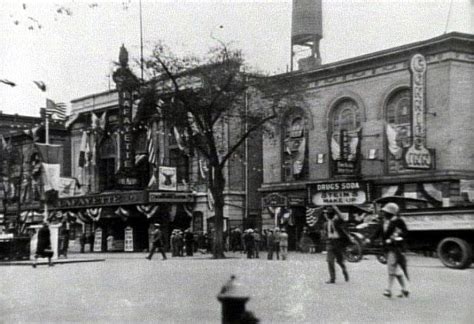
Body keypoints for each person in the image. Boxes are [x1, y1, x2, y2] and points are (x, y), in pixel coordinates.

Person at [367, 202, 409, 298]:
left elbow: (405, 233)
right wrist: (370, 239)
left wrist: (396, 238)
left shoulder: (399, 221)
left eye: (386, 212)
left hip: (396, 248)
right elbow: (377, 232)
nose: (384, 213)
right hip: (387, 248)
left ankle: (388, 290)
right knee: (396, 270)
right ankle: (405, 289)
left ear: (391, 213)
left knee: (391, 268)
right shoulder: (384, 222)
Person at [323, 206, 351, 284]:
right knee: (330, 261)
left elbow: (342, 218)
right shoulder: (326, 224)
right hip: (330, 242)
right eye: (327, 213)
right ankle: (332, 278)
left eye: (329, 213)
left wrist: (336, 208)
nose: (328, 215)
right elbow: (325, 233)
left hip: (338, 242)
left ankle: (344, 269)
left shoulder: (337, 221)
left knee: (340, 261)